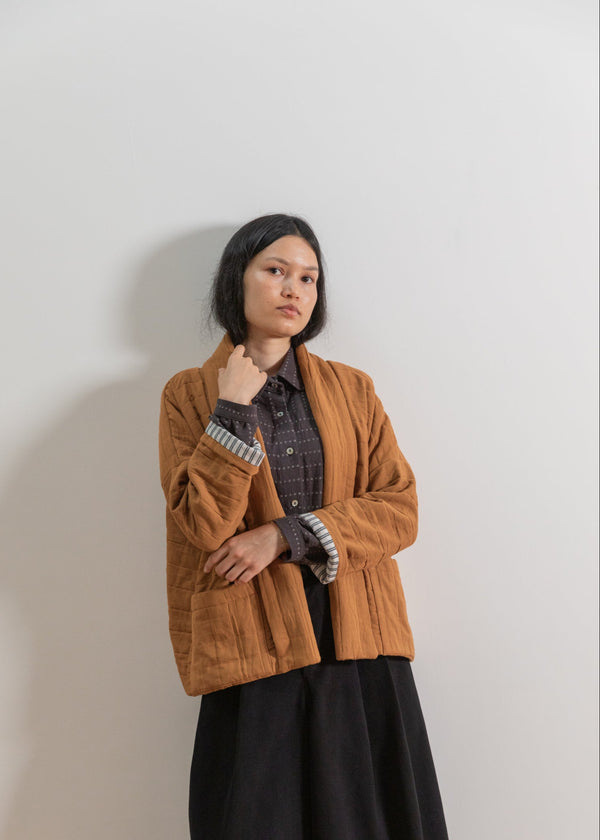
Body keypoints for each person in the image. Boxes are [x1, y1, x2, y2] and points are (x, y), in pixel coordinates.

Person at [158, 214, 449, 840]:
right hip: (252, 640)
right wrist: (232, 408)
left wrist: (285, 534)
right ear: (238, 279)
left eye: (309, 278)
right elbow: (202, 525)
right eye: (276, 271)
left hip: (357, 637)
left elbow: (399, 507)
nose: (295, 289)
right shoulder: (189, 395)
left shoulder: (352, 390)